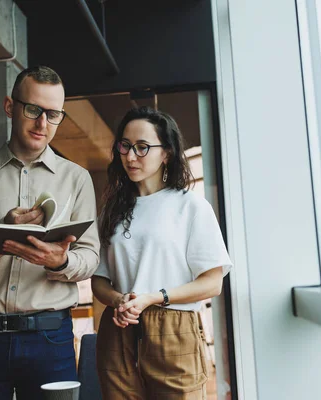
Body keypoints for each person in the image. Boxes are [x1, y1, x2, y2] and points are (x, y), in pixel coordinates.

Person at [0, 66, 100, 400]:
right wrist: (0, 234)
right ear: (10, 107)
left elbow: (90, 257)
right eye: (33, 110)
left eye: (53, 114)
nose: (43, 124)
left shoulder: (77, 179)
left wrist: (61, 261)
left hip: (50, 338)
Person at [91, 106, 233, 399]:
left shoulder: (190, 206)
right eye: (125, 146)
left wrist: (154, 297)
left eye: (142, 148)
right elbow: (99, 280)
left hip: (173, 327)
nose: (131, 156)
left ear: (166, 153)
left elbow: (212, 283)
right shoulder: (112, 210)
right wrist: (119, 300)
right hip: (118, 328)